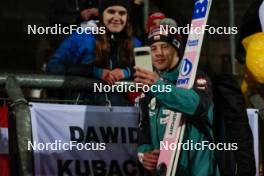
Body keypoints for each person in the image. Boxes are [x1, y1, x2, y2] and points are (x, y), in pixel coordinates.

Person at [134, 24, 220, 175]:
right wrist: (144, 155)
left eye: (165, 46)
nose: (158, 53)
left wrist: (159, 87)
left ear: (176, 50)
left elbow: (196, 106)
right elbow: (143, 134)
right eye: (153, 48)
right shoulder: (148, 90)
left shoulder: (197, 77)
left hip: (199, 169)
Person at [47, 0, 141, 105]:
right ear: (101, 14)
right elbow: (53, 66)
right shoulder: (82, 37)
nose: (116, 18)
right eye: (111, 12)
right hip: (83, 109)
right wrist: (93, 71)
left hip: (120, 112)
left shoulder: (134, 43)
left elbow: (147, 71)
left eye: (122, 13)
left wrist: (126, 72)